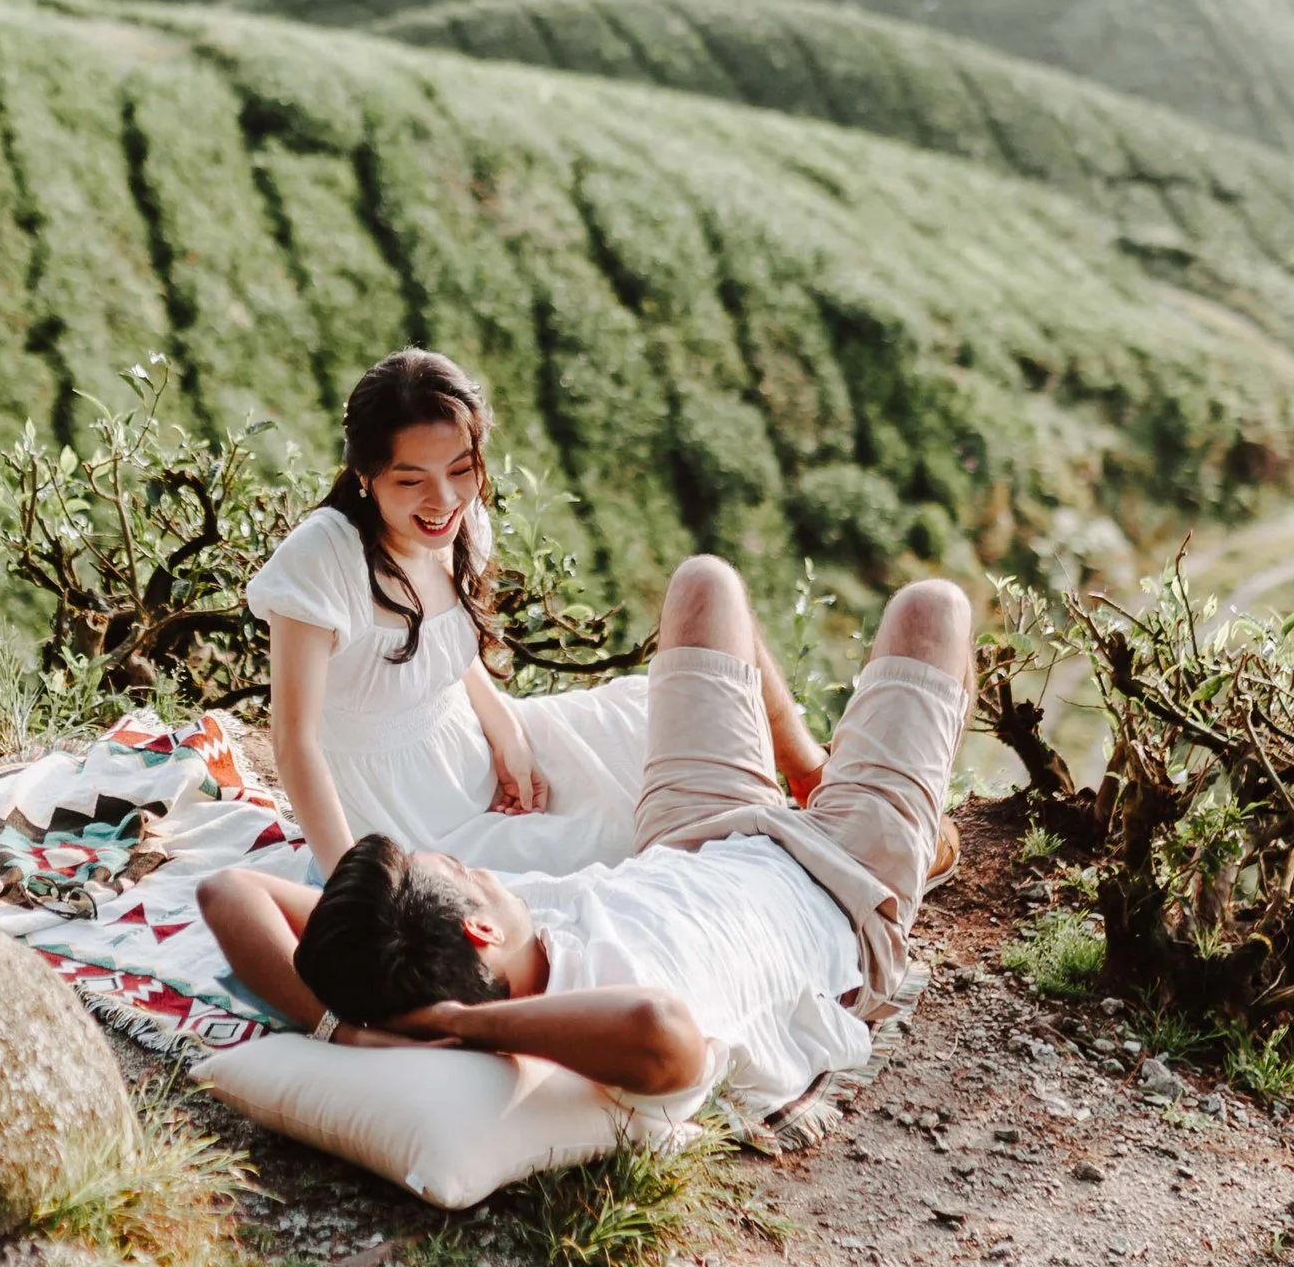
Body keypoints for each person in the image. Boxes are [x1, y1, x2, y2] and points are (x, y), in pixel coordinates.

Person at [199, 551, 971, 1128]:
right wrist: (458, 1028)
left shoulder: (500, 937)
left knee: (704, 585)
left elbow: (227, 890)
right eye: (469, 872)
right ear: (479, 926)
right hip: (843, 885)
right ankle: (897, 830)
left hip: (697, 836)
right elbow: (661, 1032)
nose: (482, 869)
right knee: (934, 609)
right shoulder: (599, 1017)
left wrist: (348, 1032)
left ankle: (811, 775)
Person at [246, 350, 781, 880]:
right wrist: (351, 885)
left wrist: (504, 727)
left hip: (472, 737)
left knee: (655, 728)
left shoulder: (460, 523)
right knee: (622, 839)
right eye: (411, 481)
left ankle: (797, 793)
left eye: (461, 469)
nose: (444, 499)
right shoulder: (321, 560)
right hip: (413, 815)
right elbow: (295, 743)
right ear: (365, 475)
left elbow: (440, 650)